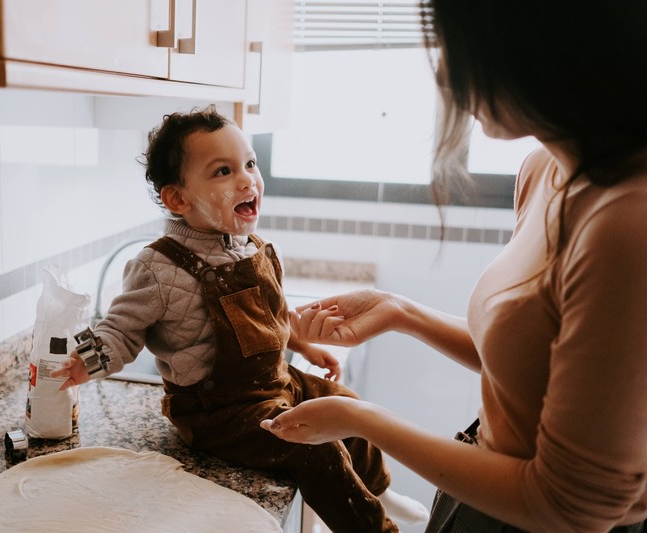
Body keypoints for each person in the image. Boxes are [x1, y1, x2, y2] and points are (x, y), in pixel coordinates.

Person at [261, 1, 647, 532]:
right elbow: (535, 363)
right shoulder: (544, 170)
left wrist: (358, 418)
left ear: (545, 41)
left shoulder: (629, 224)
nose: (444, 72)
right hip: (482, 491)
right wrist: (400, 312)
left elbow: (572, 507)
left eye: (457, 46)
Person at [50, 106, 428, 532]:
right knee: (314, 448)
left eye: (250, 163)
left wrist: (303, 345)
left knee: (348, 407)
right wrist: (87, 361)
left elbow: (270, 315)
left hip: (275, 383)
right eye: (223, 171)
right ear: (178, 199)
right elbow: (120, 329)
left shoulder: (254, 247)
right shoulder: (157, 267)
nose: (247, 180)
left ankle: (379, 491)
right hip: (218, 414)